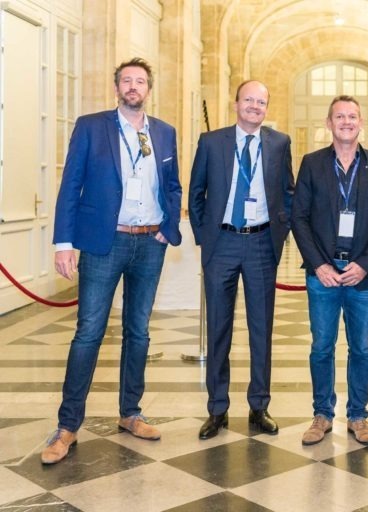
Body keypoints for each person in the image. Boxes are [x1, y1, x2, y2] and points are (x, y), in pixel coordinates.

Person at [42, 57, 182, 464]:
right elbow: (71, 184)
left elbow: (172, 185)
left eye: (140, 81)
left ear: (149, 89)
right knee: (88, 332)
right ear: (117, 87)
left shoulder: (165, 133)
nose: (133, 87)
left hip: (148, 243)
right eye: (127, 81)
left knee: (138, 332)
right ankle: (67, 426)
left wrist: (167, 225)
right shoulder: (92, 126)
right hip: (105, 243)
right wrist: (63, 243)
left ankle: (131, 413)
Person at [188, 80, 294, 439]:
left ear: (266, 107)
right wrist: (207, 239)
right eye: (248, 99)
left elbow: (288, 192)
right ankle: (217, 409)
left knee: (261, 329)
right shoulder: (211, 142)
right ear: (236, 104)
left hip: (262, 242)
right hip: (222, 243)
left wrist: (280, 231)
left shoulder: (279, 143)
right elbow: (196, 192)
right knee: (218, 328)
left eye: (261, 102)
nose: (254, 106)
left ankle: (259, 406)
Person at [291, 95, 368, 446]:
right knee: (322, 346)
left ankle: (358, 417)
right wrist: (318, 264)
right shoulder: (311, 163)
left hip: (361, 275)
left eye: (352, 116)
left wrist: (365, 265)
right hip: (323, 272)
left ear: (361, 122)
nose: (346, 121)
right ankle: (321, 415)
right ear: (329, 123)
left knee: (361, 348)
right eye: (340, 116)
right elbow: (299, 217)